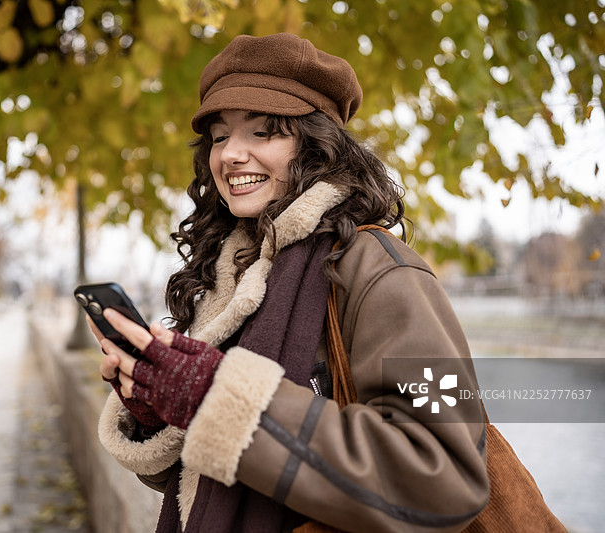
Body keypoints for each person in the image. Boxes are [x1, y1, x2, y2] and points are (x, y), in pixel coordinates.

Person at [91, 33, 489, 532]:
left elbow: (445, 474)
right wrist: (158, 409)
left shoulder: (381, 272)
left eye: (264, 132)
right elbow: (213, 478)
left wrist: (219, 395)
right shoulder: (228, 277)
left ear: (318, 146)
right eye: (219, 135)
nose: (231, 154)